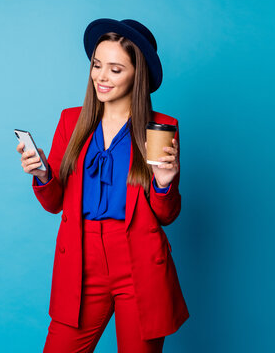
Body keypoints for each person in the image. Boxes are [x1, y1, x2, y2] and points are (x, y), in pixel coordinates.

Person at [15, 18, 189, 353]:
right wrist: (42, 175)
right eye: (97, 65)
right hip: (81, 261)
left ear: (138, 75)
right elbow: (55, 203)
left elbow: (164, 215)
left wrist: (165, 186)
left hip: (137, 263)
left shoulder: (160, 128)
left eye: (115, 69)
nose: (101, 77)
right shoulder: (72, 121)